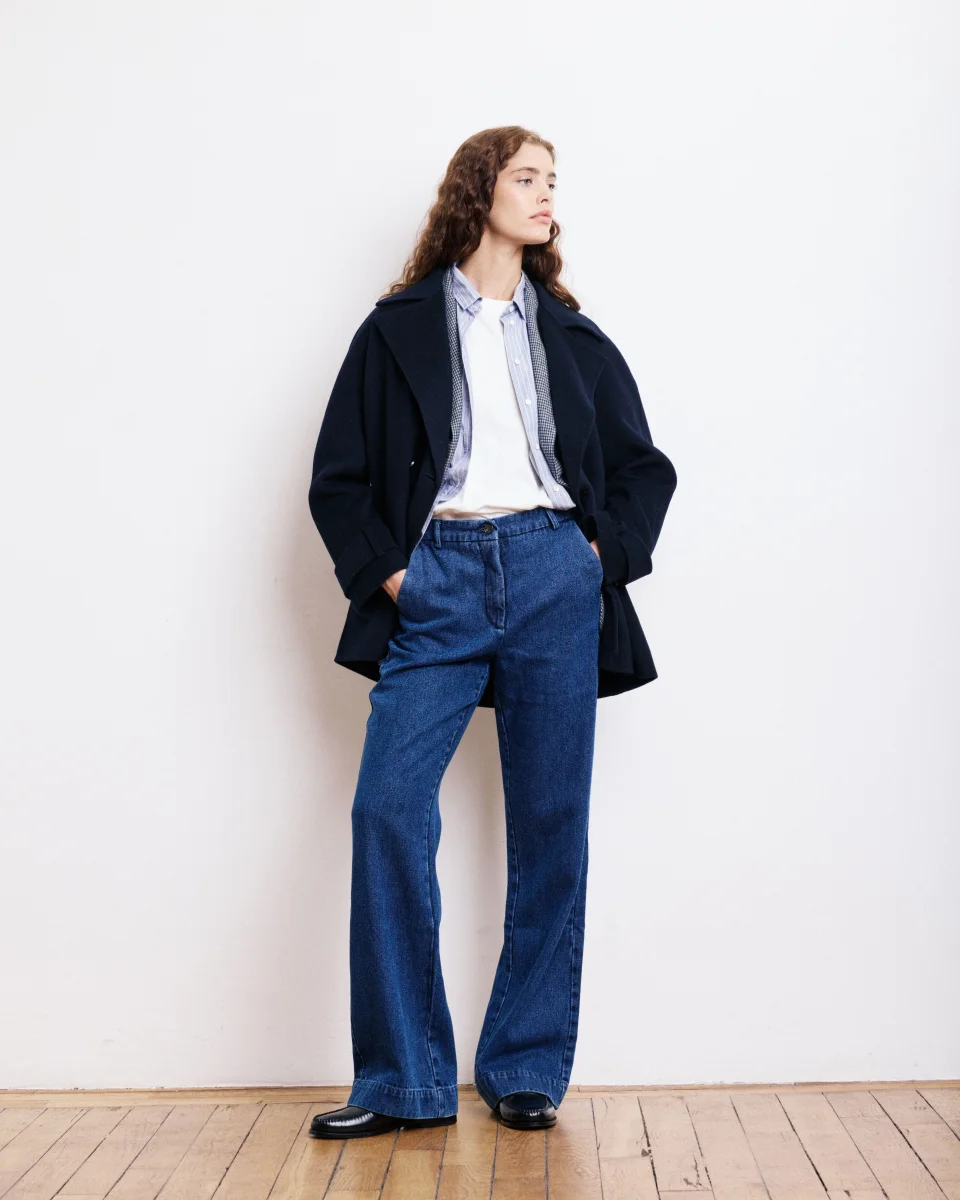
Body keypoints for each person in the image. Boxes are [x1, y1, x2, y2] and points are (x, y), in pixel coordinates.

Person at [306, 125, 677, 1139]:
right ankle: (404, 1083)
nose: (547, 194)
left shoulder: (571, 334)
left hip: (556, 573)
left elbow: (645, 470)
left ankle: (523, 1067)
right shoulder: (395, 331)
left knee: (552, 825)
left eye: (553, 180)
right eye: (526, 177)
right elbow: (338, 479)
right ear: (479, 193)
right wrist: (393, 573)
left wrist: (595, 558)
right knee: (388, 809)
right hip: (439, 579)